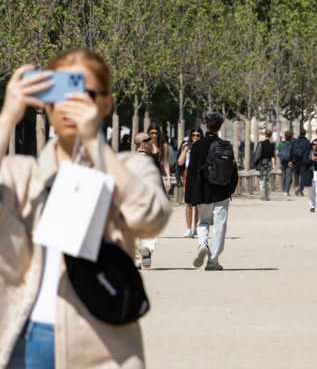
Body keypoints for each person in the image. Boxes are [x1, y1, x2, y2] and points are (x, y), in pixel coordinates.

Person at [0, 52, 171, 369]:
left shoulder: (129, 168)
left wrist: (96, 144)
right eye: (59, 93)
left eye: (85, 94)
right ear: (44, 100)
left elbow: (152, 219)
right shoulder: (21, 174)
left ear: (106, 104)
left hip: (102, 347)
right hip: (20, 341)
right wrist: (7, 117)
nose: (71, 104)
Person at [186, 110, 241, 270]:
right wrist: (230, 189)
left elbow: (191, 172)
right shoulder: (225, 145)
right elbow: (234, 170)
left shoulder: (197, 146)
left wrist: (190, 195)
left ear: (206, 125)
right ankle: (213, 260)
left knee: (203, 221)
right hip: (222, 191)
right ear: (220, 126)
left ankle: (202, 243)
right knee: (219, 226)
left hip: (203, 192)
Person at [134, 123, 172, 268]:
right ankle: (147, 247)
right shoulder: (150, 159)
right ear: (142, 143)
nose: (152, 141)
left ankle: (137, 259)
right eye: (148, 139)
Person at [178, 128, 203, 236]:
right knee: (188, 202)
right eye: (193, 135)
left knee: (197, 203)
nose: (195, 137)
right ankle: (188, 228)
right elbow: (180, 162)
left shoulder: (202, 146)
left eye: (198, 135)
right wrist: (185, 150)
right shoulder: (186, 146)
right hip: (188, 172)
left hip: (198, 172)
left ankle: (196, 228)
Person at [252, 129, 277, 201]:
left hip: (262, 163)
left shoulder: (261, 144)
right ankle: (266, 195)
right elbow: (272, 156)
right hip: (269, 163)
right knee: (268, 179)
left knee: (262, 177)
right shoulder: (271, 145)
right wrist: (274, 165)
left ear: (265, 135)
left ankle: (261, 188)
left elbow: (258, 154)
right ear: (271, 135)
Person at [290, 129, 312, 197]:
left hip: (296, 159)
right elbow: (309, 152)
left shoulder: (295, 141)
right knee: (303, 175)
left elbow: (291, 150)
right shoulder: (307, 142)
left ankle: (296, 186)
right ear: (305, 134)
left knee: (296, 173)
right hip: (304, 160)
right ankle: (301, 191)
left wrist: (290, 160)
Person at [278, 129, 295, 196]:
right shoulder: (293, 144)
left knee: (284, 175)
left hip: (283, 161)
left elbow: (277, 152)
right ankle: (286, 190)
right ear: (291, 137)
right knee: (289, 176)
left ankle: (284, 189)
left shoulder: (281, 143)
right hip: (290, 161)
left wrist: (280, 156)